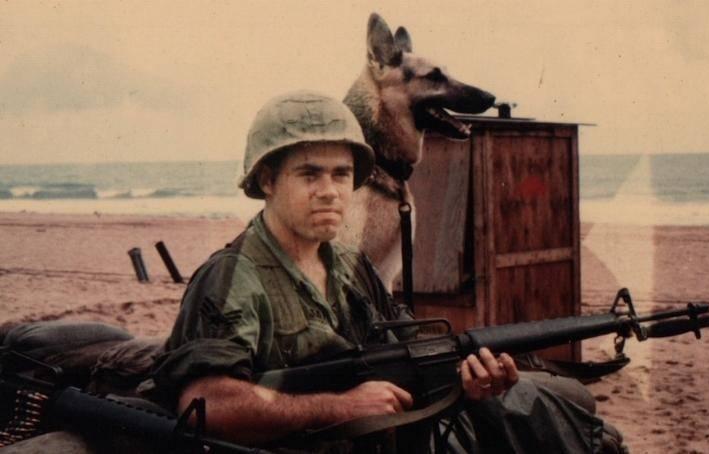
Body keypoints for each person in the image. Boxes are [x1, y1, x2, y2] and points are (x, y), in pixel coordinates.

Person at [145, 90, 520, 451]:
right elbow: (206, 405)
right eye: (310, 175)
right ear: (267, 181)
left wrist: (465, 381)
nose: (330, 191)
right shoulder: (233, 278)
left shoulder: (352, 265)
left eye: (341, 175)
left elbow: (405, 350)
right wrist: (341, 407)